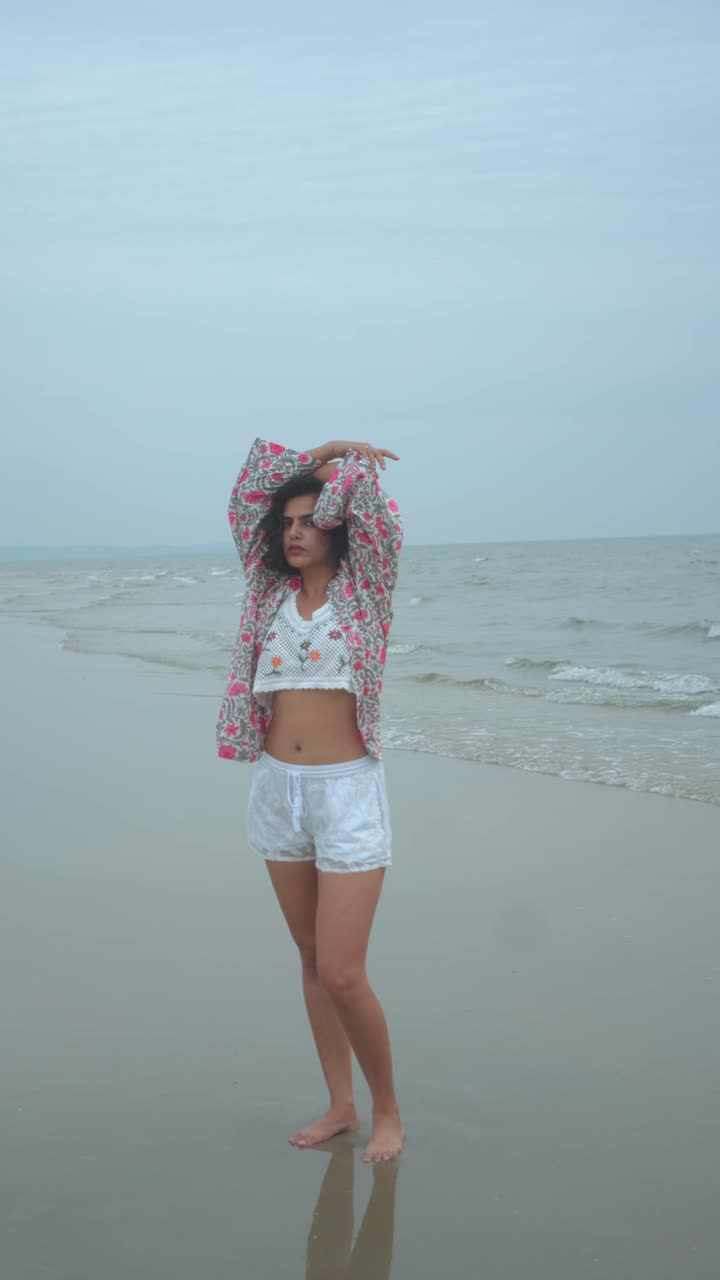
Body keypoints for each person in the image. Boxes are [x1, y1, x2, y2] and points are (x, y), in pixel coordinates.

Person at [216, 437, 405, 1163]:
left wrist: (340, 470)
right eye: (285, 522)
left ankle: (388, 1110)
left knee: (343, 971)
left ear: (336, 525)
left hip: (347, 792)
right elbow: (245, 496)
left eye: (310, 519)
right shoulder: (268, 594)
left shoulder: (366, 589)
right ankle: (341, 1104)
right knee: (308, 956)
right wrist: (317, 450)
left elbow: (377, 517)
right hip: (277, 790)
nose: (294, 531)